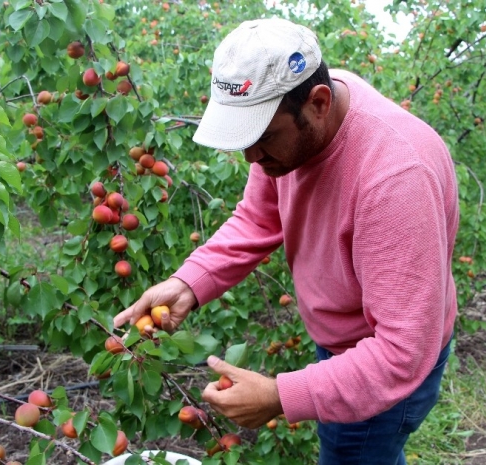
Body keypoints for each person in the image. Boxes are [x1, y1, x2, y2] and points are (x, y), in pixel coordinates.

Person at [114, 17, 459, 465]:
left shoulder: (395, 179)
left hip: (383, 361)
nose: (251, 157)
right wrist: (188, 284)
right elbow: (258, 217)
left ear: (318, 102)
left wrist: (281, 395)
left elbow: (401, 354)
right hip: (345, 345)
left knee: (355, 452)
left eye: (264, 138)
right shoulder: (306, 117)